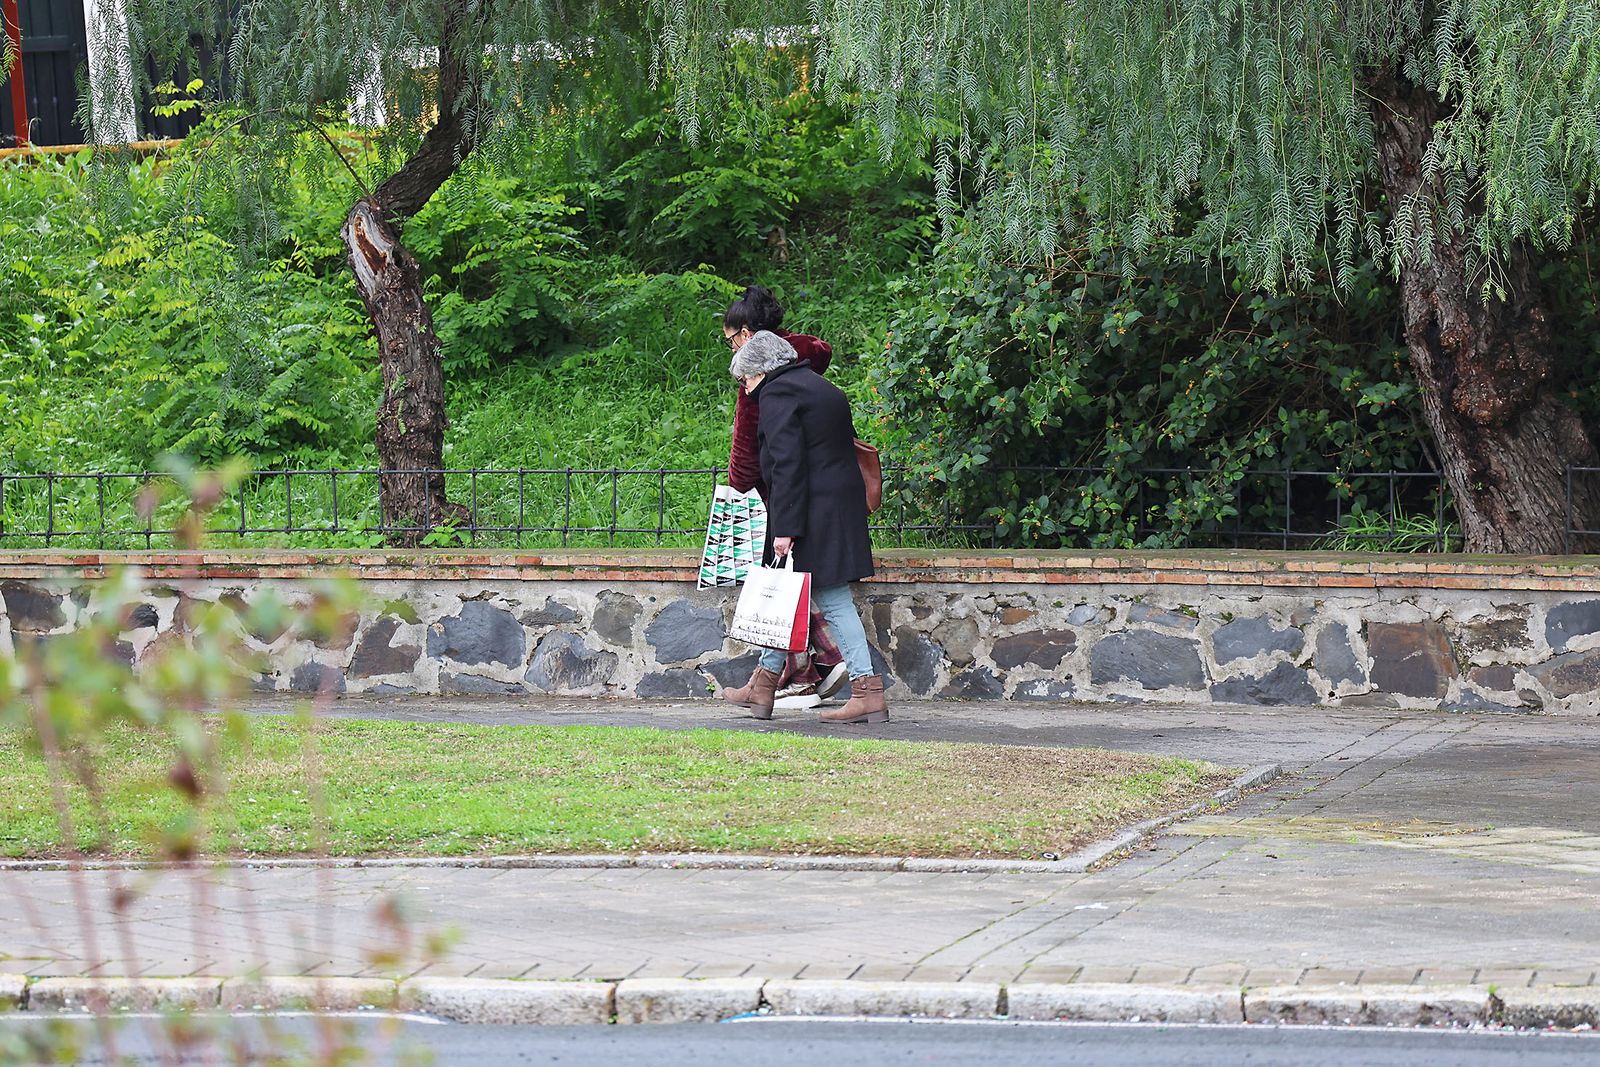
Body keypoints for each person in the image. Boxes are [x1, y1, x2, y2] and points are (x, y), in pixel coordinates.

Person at [720, 331, 886, 724]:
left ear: (761, 371)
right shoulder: (822, 387)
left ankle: (868, 690)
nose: (746, 388)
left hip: (811, 513)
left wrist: (785, 528)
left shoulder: (778, 395)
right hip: (837, 508)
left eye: (745, 379)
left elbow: (787, 464)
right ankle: (763, 686)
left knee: (832, 599)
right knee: (787, 600)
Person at [721, 285, 848, 709]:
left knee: (782, 582)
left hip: (785, 494)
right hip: (823, 486)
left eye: (730, 338)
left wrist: (738, 482)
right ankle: (777, 678)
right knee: (794, 581)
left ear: (745, 333)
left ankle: (820, 665)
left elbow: (749, 449)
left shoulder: (760, 376)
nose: (731, 348)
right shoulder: (803, 358)